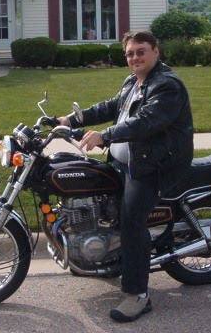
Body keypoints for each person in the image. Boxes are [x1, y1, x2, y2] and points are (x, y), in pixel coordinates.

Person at [58, 30, 194, 323]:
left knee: (132, 221)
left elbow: (146, 122)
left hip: (153, 165)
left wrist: (104, 136)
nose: (135, 58)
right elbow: (111, 106)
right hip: (128, 160)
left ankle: (138, 295)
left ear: (156, 51)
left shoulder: (167, 86)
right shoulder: (133, 81)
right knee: (104, 205)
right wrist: (71, 120)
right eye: (130, 53)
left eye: (141, 51)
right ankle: (109, 258)